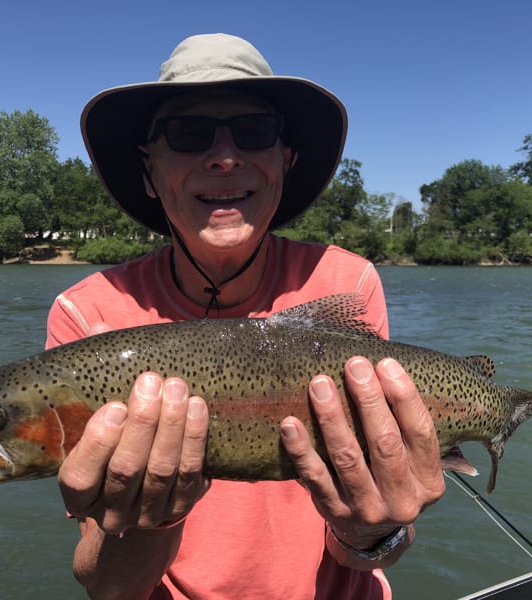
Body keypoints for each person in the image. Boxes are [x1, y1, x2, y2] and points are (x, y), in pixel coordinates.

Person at [46, 33, 445, 600]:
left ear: (284, 161)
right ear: (149, 172)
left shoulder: (349, 282)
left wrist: (376, 527)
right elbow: (111, 586)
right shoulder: (86, 313)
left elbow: (363, 548)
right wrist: (151, 517)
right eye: (188, 135)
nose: (224, 156)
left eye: (254, 132)